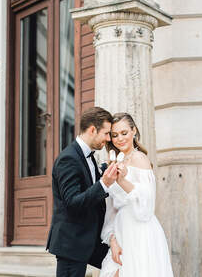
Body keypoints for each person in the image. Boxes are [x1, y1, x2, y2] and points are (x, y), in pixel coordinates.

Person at [99, 112, 174, 277]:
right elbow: (111, 208)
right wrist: (113, 240)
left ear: (134, 131)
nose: (120, 139)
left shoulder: (140, 159)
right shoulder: (115, 162)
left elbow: (147, 207)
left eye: (124, 133)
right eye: (115, 135)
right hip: (120, 230)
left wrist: (122, 180)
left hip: (140, 232)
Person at [46, 107, 118, 277]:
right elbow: (72, 203)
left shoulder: (89, 156)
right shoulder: (68, 159)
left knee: (121, 265)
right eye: (106, 133)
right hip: (71, 242)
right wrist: (103, 184)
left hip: (91, 239)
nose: (108, 139)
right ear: (93, 129)